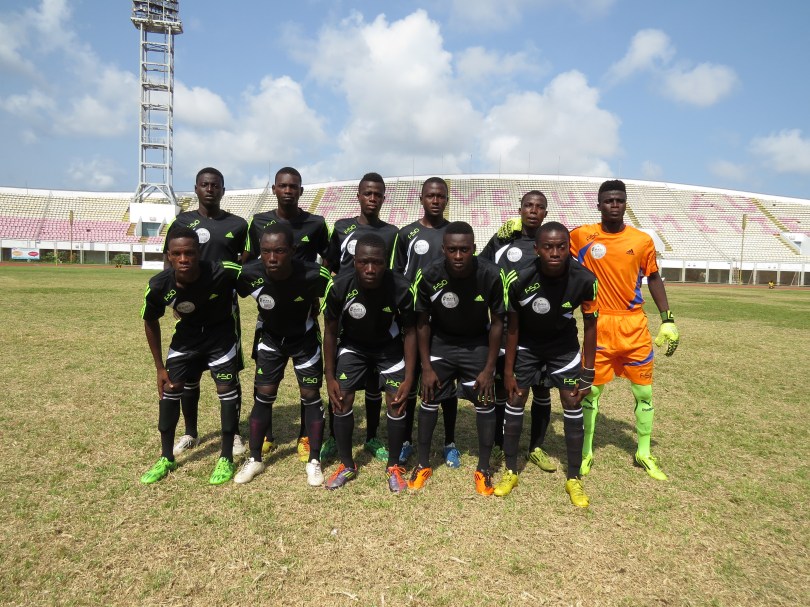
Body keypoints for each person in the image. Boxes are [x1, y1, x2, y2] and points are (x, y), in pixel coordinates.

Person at [569, 179, 680, 481]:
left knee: (644, 393)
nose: (614, 205)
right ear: (599, 205)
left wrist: (667, 319)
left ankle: (643, 452)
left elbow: (653, 278)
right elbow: (547, 244)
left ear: (626, 204)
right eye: (608, 200)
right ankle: (586, 452)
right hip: (599, 325)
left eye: (619, 200)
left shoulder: (642, 240)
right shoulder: (581, 236)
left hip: (634, 326)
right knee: (591, 393)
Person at [500, 222, 598, 506]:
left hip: (563, 347)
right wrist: (508, 370)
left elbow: (591, 326)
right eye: (548, 247)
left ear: (569, 248)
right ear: (536, 249)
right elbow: (512, 327)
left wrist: (588, 371)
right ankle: (510, 471)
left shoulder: (585, 279)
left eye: (561, 247)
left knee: (572, 400)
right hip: (527, 345)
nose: (555, 253)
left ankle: (574, 478)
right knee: (516, 398)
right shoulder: (518, 278)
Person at [408, 221, 505, 495]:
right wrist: (426, 367)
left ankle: (483, 469)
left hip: (476, 344)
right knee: (429, 397)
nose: (459, 255)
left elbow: (498, 322)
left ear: (474, 248)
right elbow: (422, 323)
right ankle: (423, 464)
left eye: (464, 249)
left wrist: (489, 368)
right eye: (452, 250)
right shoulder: (429, 274)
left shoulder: (491, 274)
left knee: (485, 399)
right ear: (443, 249)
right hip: (442, 343)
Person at [140, 227, 243, 485]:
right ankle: (166, 457)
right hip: (187, 338)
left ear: (199, 253)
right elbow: (150, 321)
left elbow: (258, 277)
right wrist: (159, 368)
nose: (183, 259)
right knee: (170, 390)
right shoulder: (158, 285)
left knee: (226, 391)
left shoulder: (223, 271)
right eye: (177, 254)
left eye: (189, 253)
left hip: (220, 337)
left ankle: (226, 457)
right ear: (169, 256)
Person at [233, 223, 332, 486]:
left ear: (293, 250)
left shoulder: (315, 274)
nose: (272, 257)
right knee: (263, 395)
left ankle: (314, 461)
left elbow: (330, 297)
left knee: (310, 396)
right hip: (271, 340)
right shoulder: (249, 273)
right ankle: (254, 459)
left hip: (305, 340)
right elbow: (229, 288)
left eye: (279, 251)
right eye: (266, 251)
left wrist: (314, 303)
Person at [243, 167, 330, 462]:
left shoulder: (316, 223)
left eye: (293, 186)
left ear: (301, 190)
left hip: (302, 307)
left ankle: (305, 436)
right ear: (275, 189)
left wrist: (314, 294)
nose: (288, 191)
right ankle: (266, 435)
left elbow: (328, 259)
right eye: (283, 186)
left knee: (309, 384)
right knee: (264, 378)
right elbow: (248, 262)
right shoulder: (258, 222)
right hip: (271, 311)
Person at [162, 167, 248, 459]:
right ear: (196, 188)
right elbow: (168, 259)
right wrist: (174, 300)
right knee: (189, 374)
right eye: (204, 184)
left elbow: (245, 261)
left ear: (223, 190)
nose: (210, 189)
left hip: (224, 308)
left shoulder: (238, 225)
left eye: (215, 185)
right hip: (190, 307)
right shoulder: (182, 222)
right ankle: (190, 432)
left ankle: (235, 433)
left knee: (229, 373)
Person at [322, 234, 417, 492]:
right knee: (341, 399)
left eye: (377, 262)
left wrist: (409, 377)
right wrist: (329, 376)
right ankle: (346, 464)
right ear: (355, 261)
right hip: (353, 346)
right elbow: (330, 332)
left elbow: (410, 332)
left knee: (397, 402)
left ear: (386, 262)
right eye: (364, 262)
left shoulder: (401, 287)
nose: (371, 269)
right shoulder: (339, 286)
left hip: (389, 347)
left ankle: (394, 466)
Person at [324, 172, 399, 463]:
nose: (372, 198)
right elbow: (329, 264)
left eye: (377, 194)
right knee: (341, 380)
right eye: (367, 193)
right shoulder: (342, 227)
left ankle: (372, 436)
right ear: (358, 195)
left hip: (378, 315)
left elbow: (394, 272)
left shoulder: (391, 233)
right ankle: (334, 436)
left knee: (374, 383)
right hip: (347, 312)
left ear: (384, 198)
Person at [479, 190, 556, 473]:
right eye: (528, 205)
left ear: (546, 212)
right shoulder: (503, 240)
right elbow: (481, 265)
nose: (533, 210)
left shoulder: (551, 243)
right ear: (520, 209)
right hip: (506, 327)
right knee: (504, 387)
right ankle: (501, 443)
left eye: (539, 207)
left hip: (541, 331)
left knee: (542, 389)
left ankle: (536, 447)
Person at [390, 177, 460, 468]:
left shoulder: (454, 233)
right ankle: (406, 440)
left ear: (446, 200)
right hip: (412, 319)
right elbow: (396, 274)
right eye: (430, 195)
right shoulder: (407, 234)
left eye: (441, 196)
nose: (435, 200)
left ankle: (449, 442)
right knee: (410, 377)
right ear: (421, 199)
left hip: (444, 321)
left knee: (446, 384)